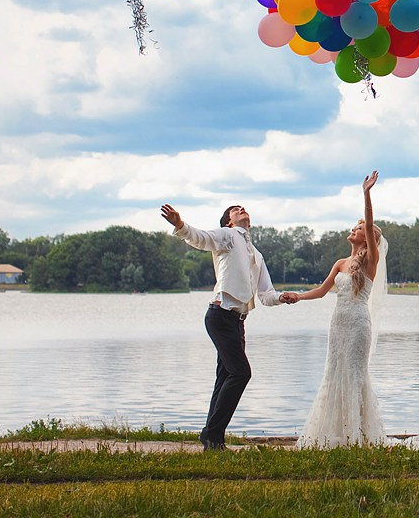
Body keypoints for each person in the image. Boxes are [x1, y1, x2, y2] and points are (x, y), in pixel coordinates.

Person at [160, 201, 297, 451]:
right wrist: (180, 225)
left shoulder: (256, 254)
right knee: (240, 373)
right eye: (236, 209)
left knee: (225, 376)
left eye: (244, 208)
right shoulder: (228, 236)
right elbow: (200, 238)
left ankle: (213, 438)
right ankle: (212, 434)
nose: (242, 209)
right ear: (228, 221)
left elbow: (266, 294)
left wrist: (281, 298)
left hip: (238, 321)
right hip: (220, 315)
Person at [294, 171, 388, 448]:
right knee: (334, 372)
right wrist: (296, 297)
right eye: (355, 227)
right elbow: (322, 291)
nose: (354, 230)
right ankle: (335, 434)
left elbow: (370, 223)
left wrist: (366, 193)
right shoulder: (339, 262)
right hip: (338, 324)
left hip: (359, 324)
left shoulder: (371, 259)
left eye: (358, 228)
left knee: (355, 374)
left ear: (367, 236)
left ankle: (358, 435)